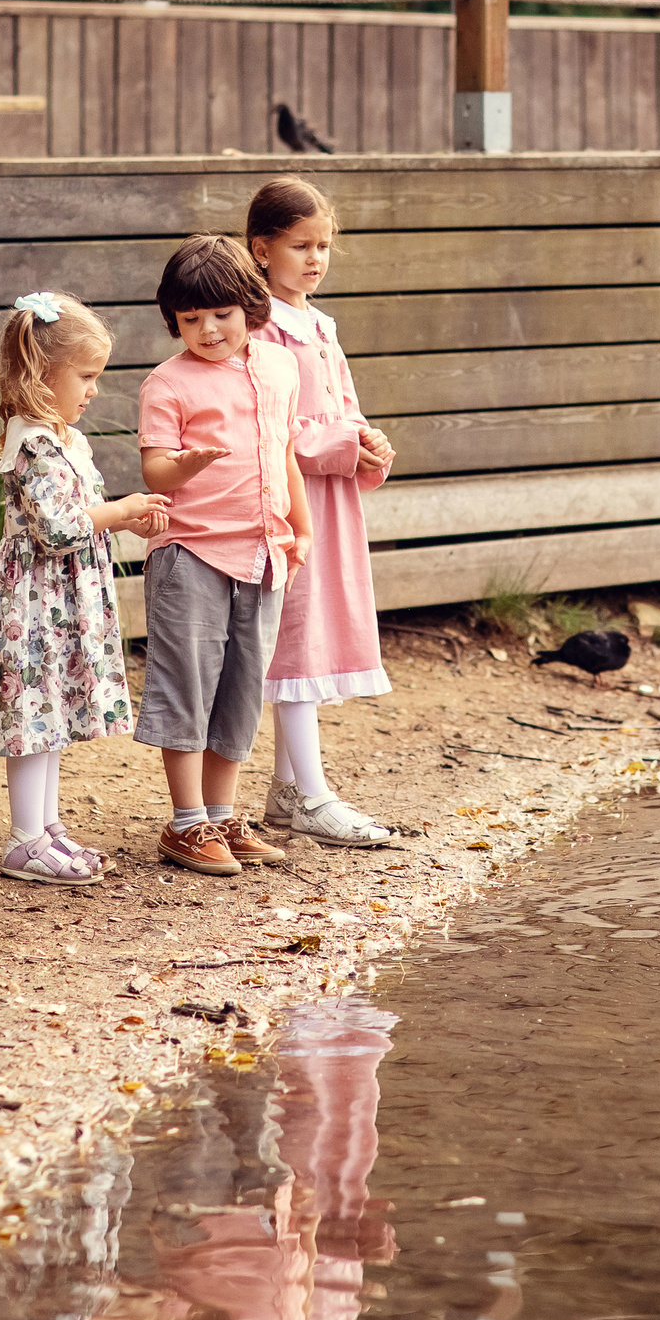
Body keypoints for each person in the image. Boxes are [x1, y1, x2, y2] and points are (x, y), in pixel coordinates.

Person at [135, 236, 313, 877]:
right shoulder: (167, 383)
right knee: (187, 685)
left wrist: (302, 526)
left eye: (221, 315)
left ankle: (223, 815)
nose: (208, 331)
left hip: (263, 553)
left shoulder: (279, 368)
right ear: (173, 320)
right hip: (192, 554)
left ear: (250, 307)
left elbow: (285, 454)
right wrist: (183, 466)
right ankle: (186, 824)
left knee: (241, 690)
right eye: (190, 320)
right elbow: (155, 465)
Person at [0, 290, 167, 884]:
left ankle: (45, 824)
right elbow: (59, 528)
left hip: (62, 602)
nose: (92, 390)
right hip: (36, 605)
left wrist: (121, 514)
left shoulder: (62, 438)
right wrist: (119, 511)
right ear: (41, 373)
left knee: (51, 709)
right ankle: (24, 839)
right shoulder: (31, 443)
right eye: (85, 376)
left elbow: (79, 511)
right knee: (34, 709)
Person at [246, 177, 400, 847]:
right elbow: (273, 426)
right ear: (262, 248)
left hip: (332, 496)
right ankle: (311, 794)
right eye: (299, 245)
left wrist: (367, 442)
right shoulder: (260, 331)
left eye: (324, 246)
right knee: (298, 636)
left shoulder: (321, 325)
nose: (314, 258)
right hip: (294, 500)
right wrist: (339, 443)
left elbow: (343, 405)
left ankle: (285, 791)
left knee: (319, 627)